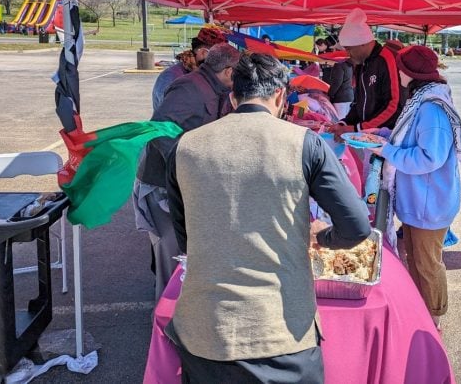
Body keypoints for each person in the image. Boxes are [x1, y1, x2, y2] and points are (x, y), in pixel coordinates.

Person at [165, 52, 371, 383]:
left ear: (233, 97)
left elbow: (188, 239)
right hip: (281, 332)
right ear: (279, 96)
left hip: (204, 331)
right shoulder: (305, 143)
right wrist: (319, 237)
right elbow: (357, 226)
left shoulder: (185, 146)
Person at [367, 45, 461, 330]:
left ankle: (433, 320)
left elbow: (429, 157)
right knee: (418, 260)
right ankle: (422, 313)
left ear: (409, 72)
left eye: (400, 68)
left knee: (427, 265)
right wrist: (383, 136)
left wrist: (388, 151)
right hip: (421, 202)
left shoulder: (431, 109)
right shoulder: (422, 101)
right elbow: (409, 138)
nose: (396, 73)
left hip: (429, 204)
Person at [134, 43, 242, 299]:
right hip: (162, 186)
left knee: (185, 257)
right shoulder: (189, 87)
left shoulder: (212, 88)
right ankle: (164, 324)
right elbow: (159, 129)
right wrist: (185, 165)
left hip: (182, 184)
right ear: (227, 72)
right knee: (172, 261)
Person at [329, 8, 402, 138]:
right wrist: (344, 123)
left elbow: (393, 105)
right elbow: (358, 103)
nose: (348, 54)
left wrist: (358, 128)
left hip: (387, 136)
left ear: (362, 43)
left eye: (349, 49)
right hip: (366, 136)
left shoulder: (386, 59)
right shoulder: (361, 64)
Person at [152, 27, 227, 112]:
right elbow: (170, 113)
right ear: (203, 52)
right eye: (217, 56)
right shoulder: (171, 76)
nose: (219, 61)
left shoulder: (205, 74)